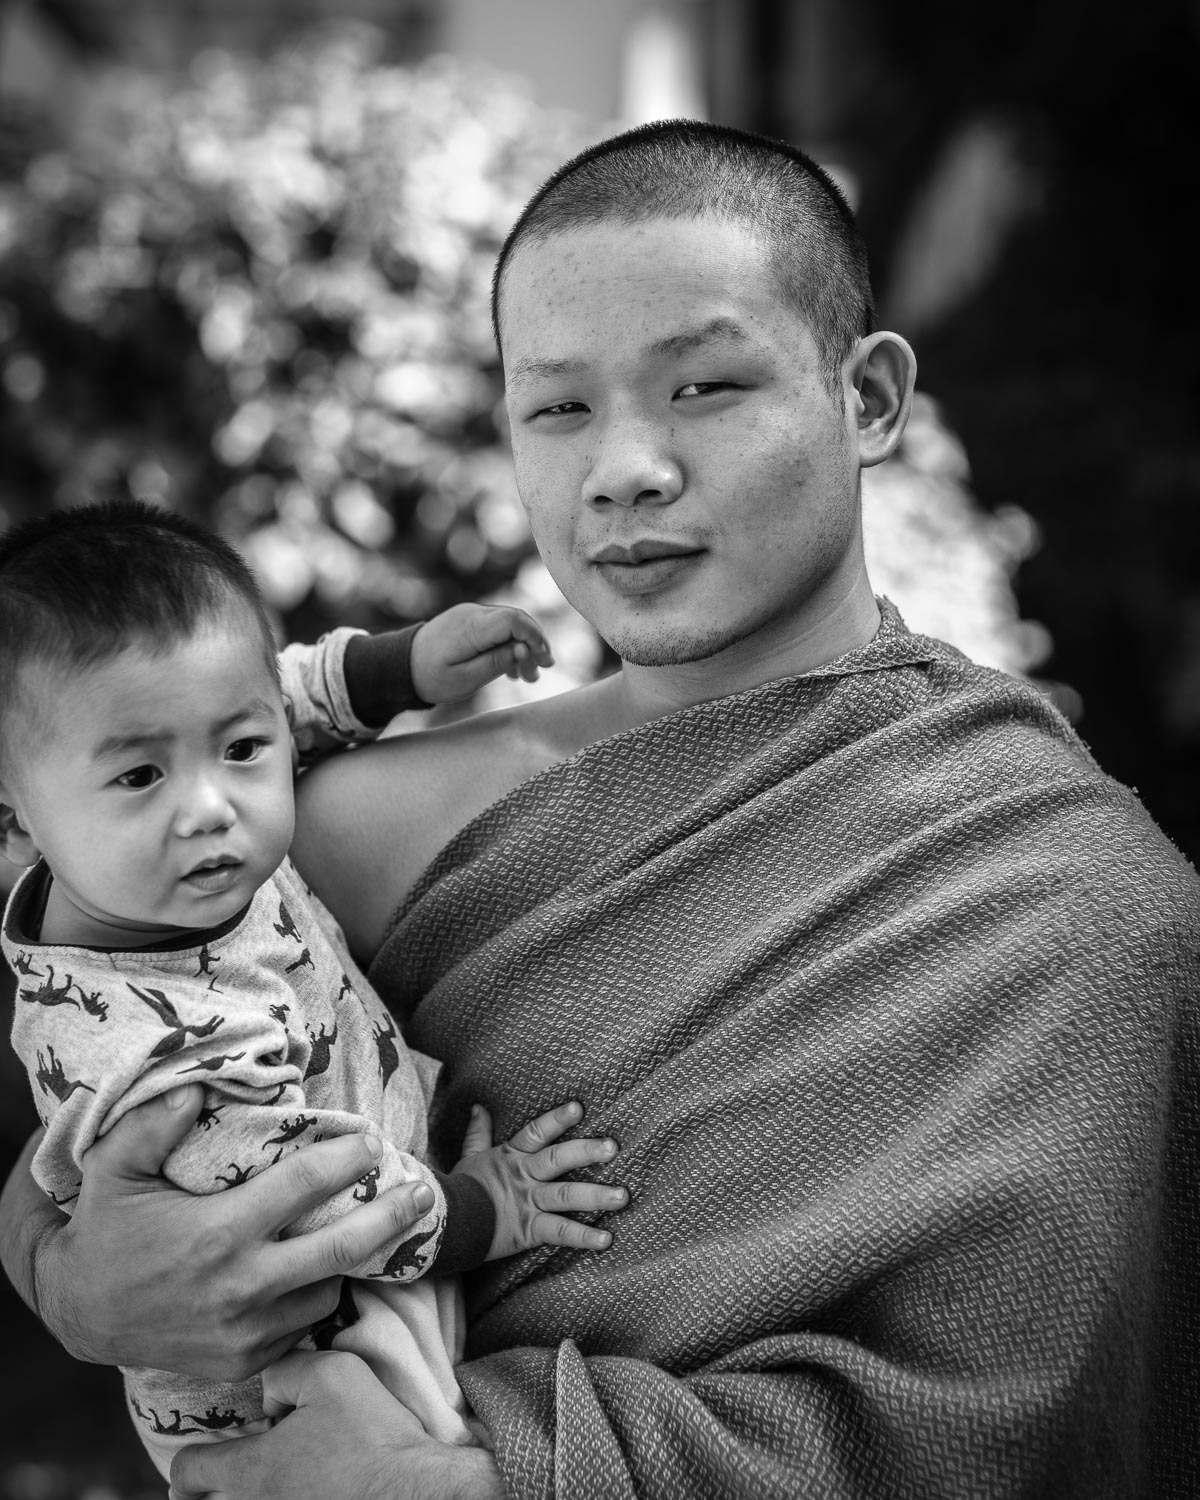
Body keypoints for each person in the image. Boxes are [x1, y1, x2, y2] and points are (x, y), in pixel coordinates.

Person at [3, 118, 1199, 1500]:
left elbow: (1022, 1415)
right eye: (558, 407)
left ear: (868, 400)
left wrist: (463, 1484)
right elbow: (80, 1086)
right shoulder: (341, 825)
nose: (623, 467)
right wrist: (64, 1275)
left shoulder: (1080, 900)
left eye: (703, 385)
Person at [0, 501, 626, 1483]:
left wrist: (400, 668)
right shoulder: (158, 1062)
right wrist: (487, 1208)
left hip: (322, 1226)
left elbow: (271, 696)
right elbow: (331, 1208)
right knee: (419, 1451)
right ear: (15, 821)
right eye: (138, 777)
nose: (210, 806)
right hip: (289, 1352)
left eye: (239, 753)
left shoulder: (146, 866)